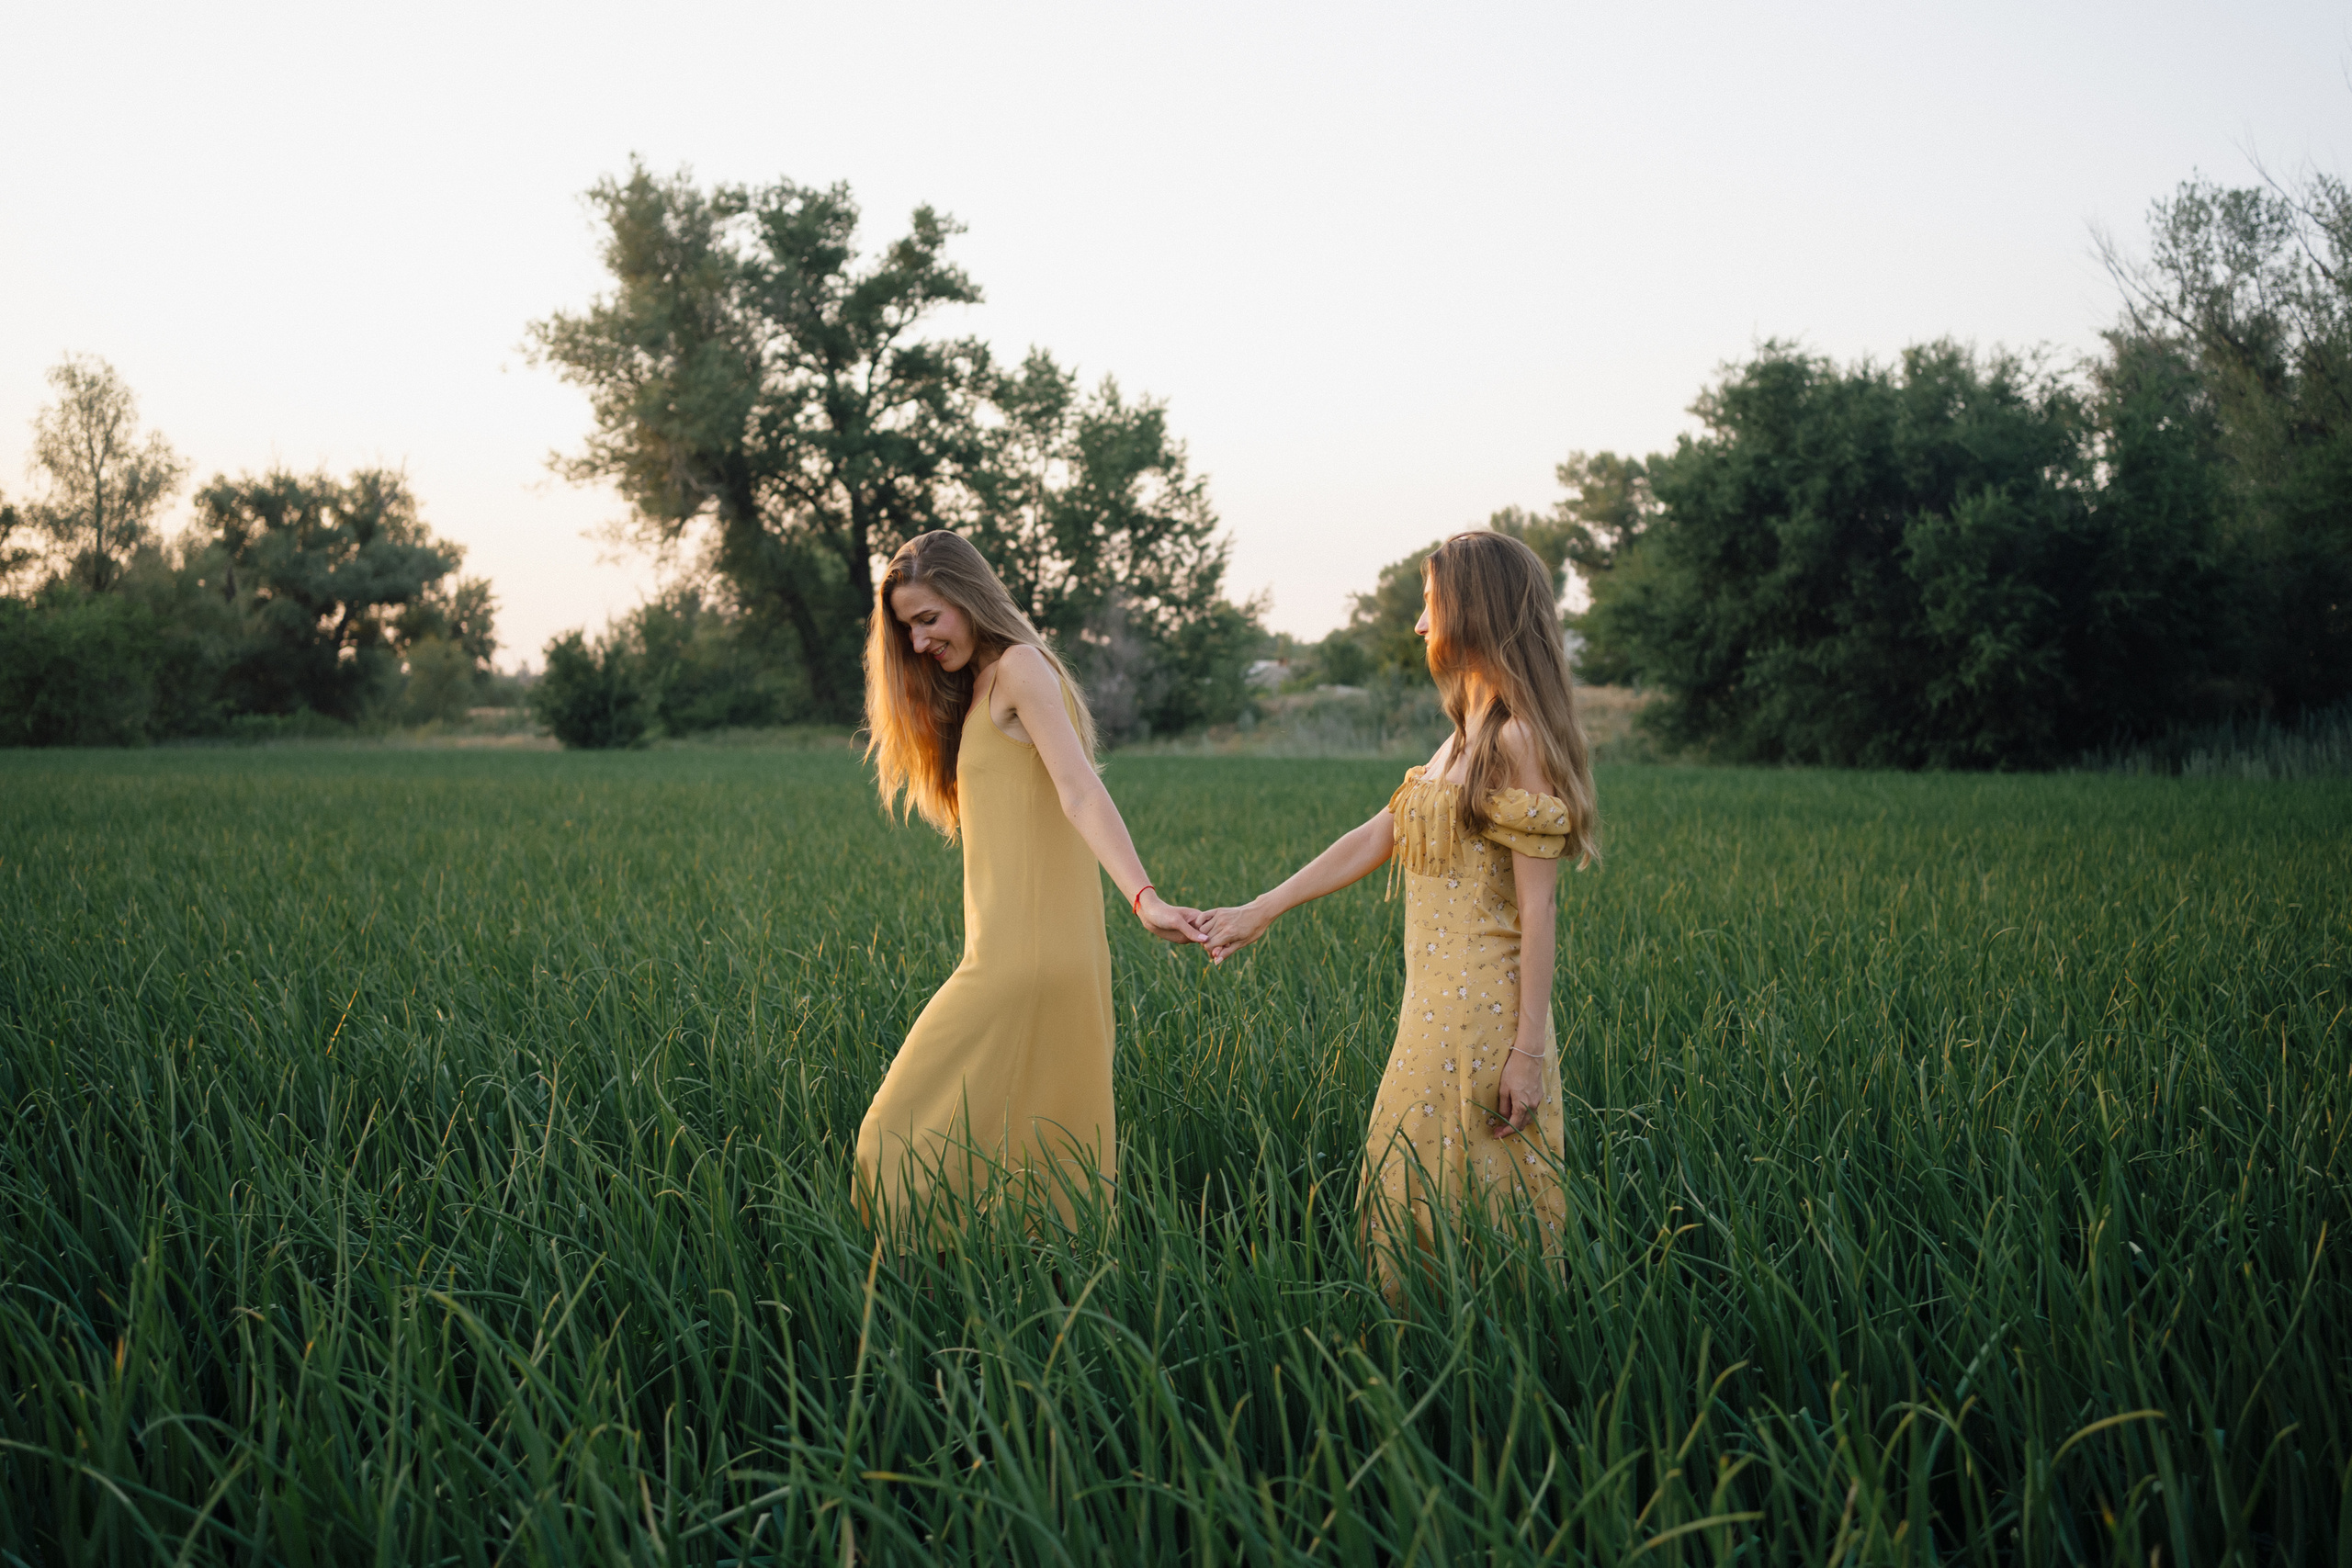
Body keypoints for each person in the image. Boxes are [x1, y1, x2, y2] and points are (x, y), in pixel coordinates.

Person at [1201, 530, 1599, 1297]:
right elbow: (1377, 834)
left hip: (1487, 1016)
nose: (1420, 624)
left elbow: (1539, 908)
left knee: (1476, 1196)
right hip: (1430, 1006)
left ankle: (1489, 1350)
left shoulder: (1517, 739)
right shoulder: (1459, 739)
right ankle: (1417, 1339)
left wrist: (1527, 1053)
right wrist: (1262, 908)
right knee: (1411, 1175)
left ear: (1475, 610)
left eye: (1430, 604)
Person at [856, 530, 1205, 1237]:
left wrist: (1144, 897)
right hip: (1017, 957)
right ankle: (1003, 1285)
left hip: (1024, 963)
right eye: (907, 628)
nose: (919, 641)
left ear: (967, 596)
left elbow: (1081, 790)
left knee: (891, 1140)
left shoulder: (1019, 667)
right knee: (1030, 1156)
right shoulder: (981, 685)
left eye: (928, 618)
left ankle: (916, 1277)